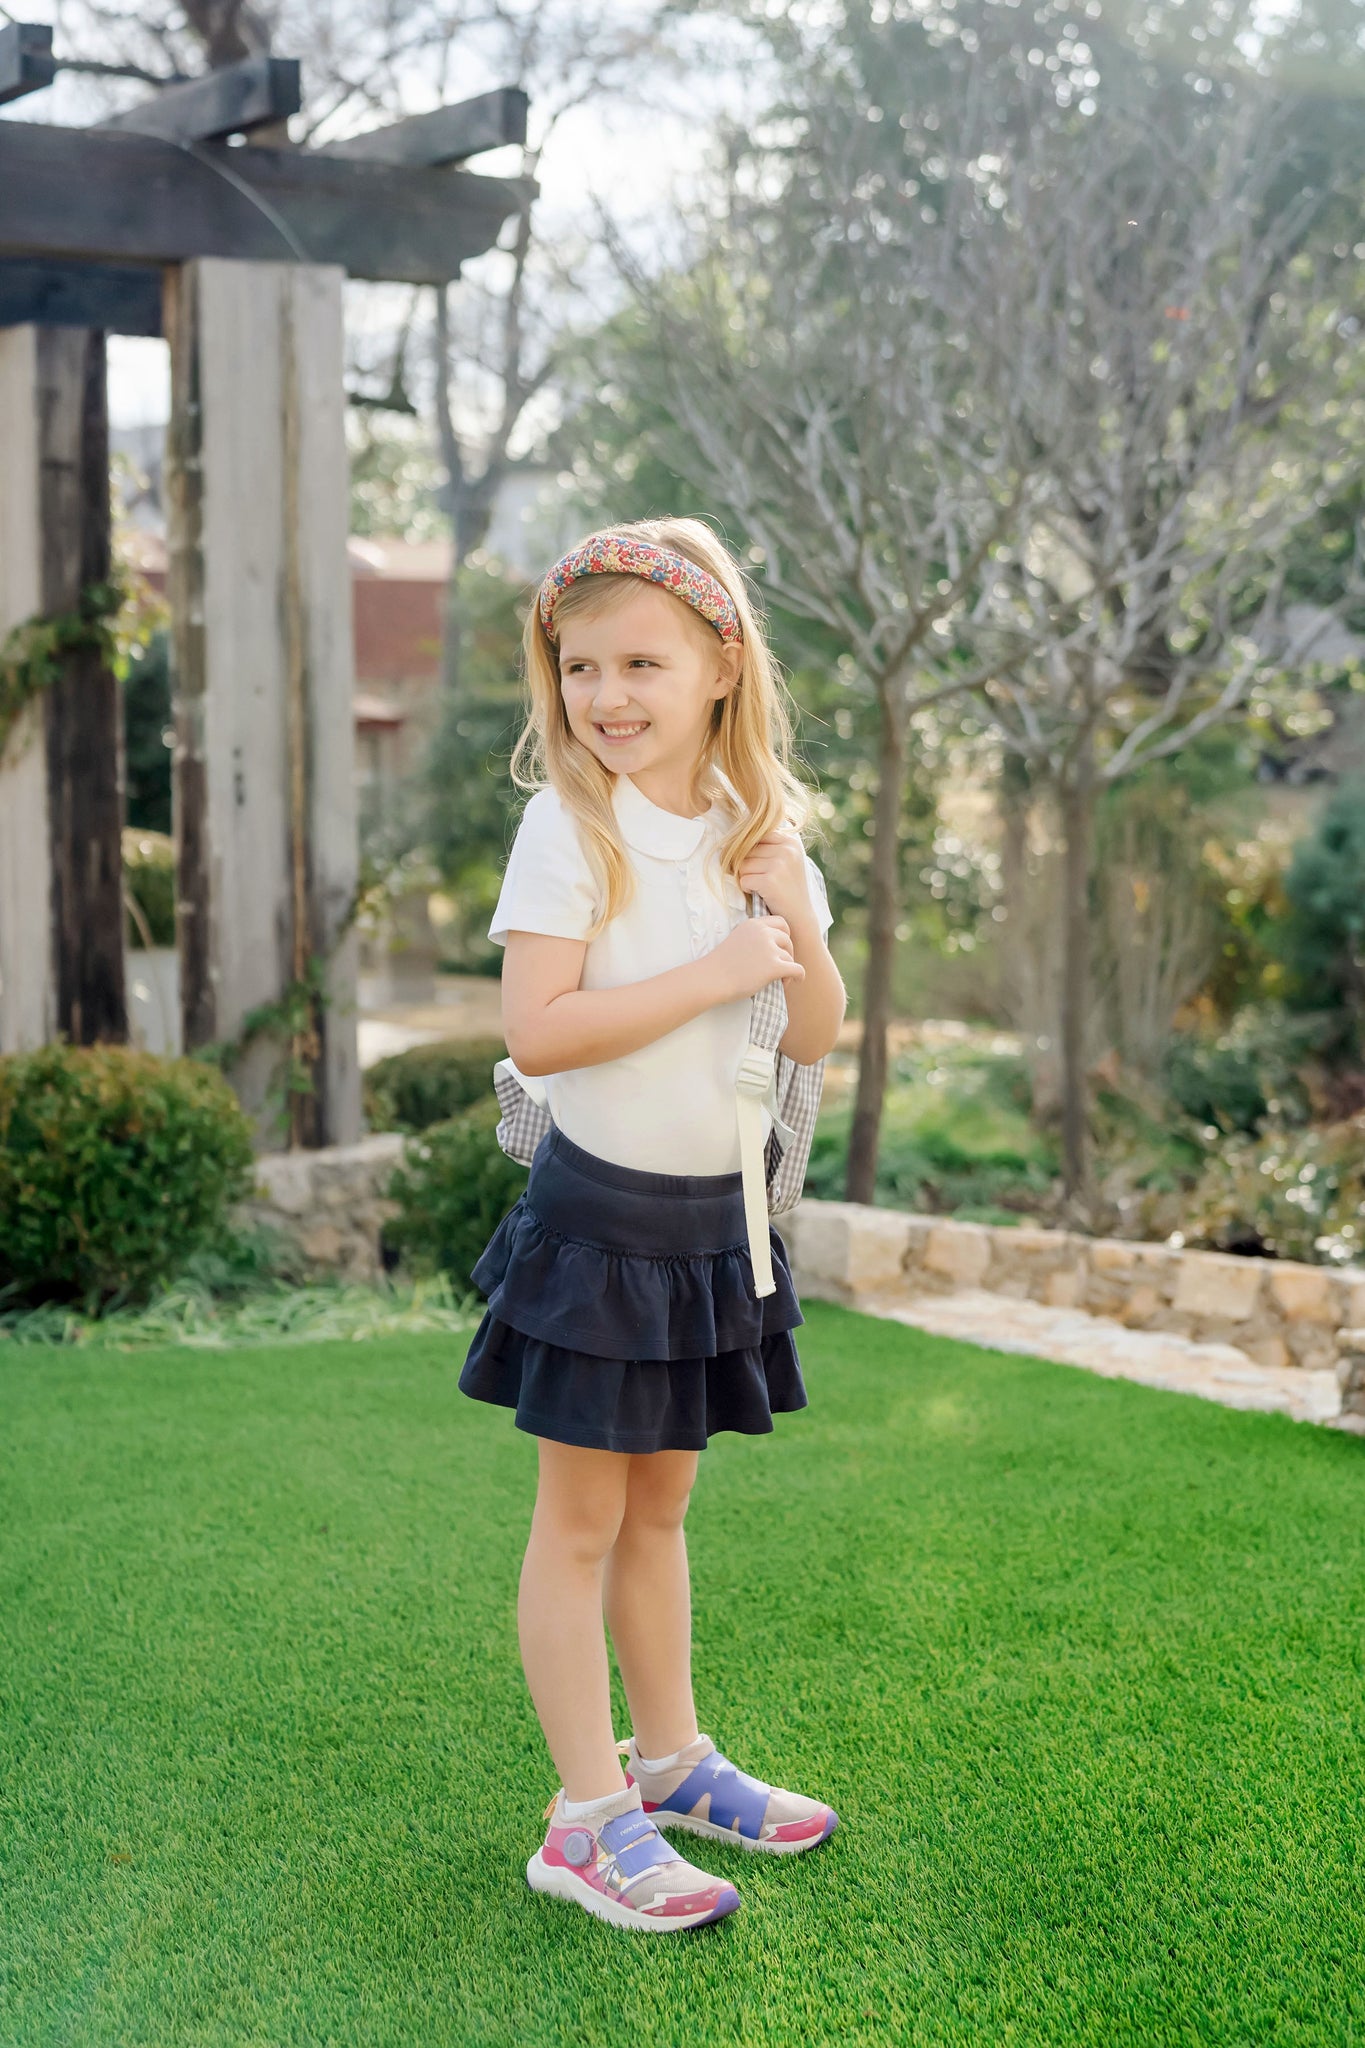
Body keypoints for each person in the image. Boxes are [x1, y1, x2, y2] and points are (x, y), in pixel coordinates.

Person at [458, 518, 847, 1934]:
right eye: (579, 667)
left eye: (641, 661)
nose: (606, 695)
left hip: (710, 1227)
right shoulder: (568, 826)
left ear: (720, 665)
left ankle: (673, 1760)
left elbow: (811, 1027)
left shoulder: (755, 834)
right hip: (599, 1226)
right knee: (577, 1523)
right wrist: (710, 967)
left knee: (662, 1506)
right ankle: (583, 1821)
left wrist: (789, 904)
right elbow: (540, 1034)